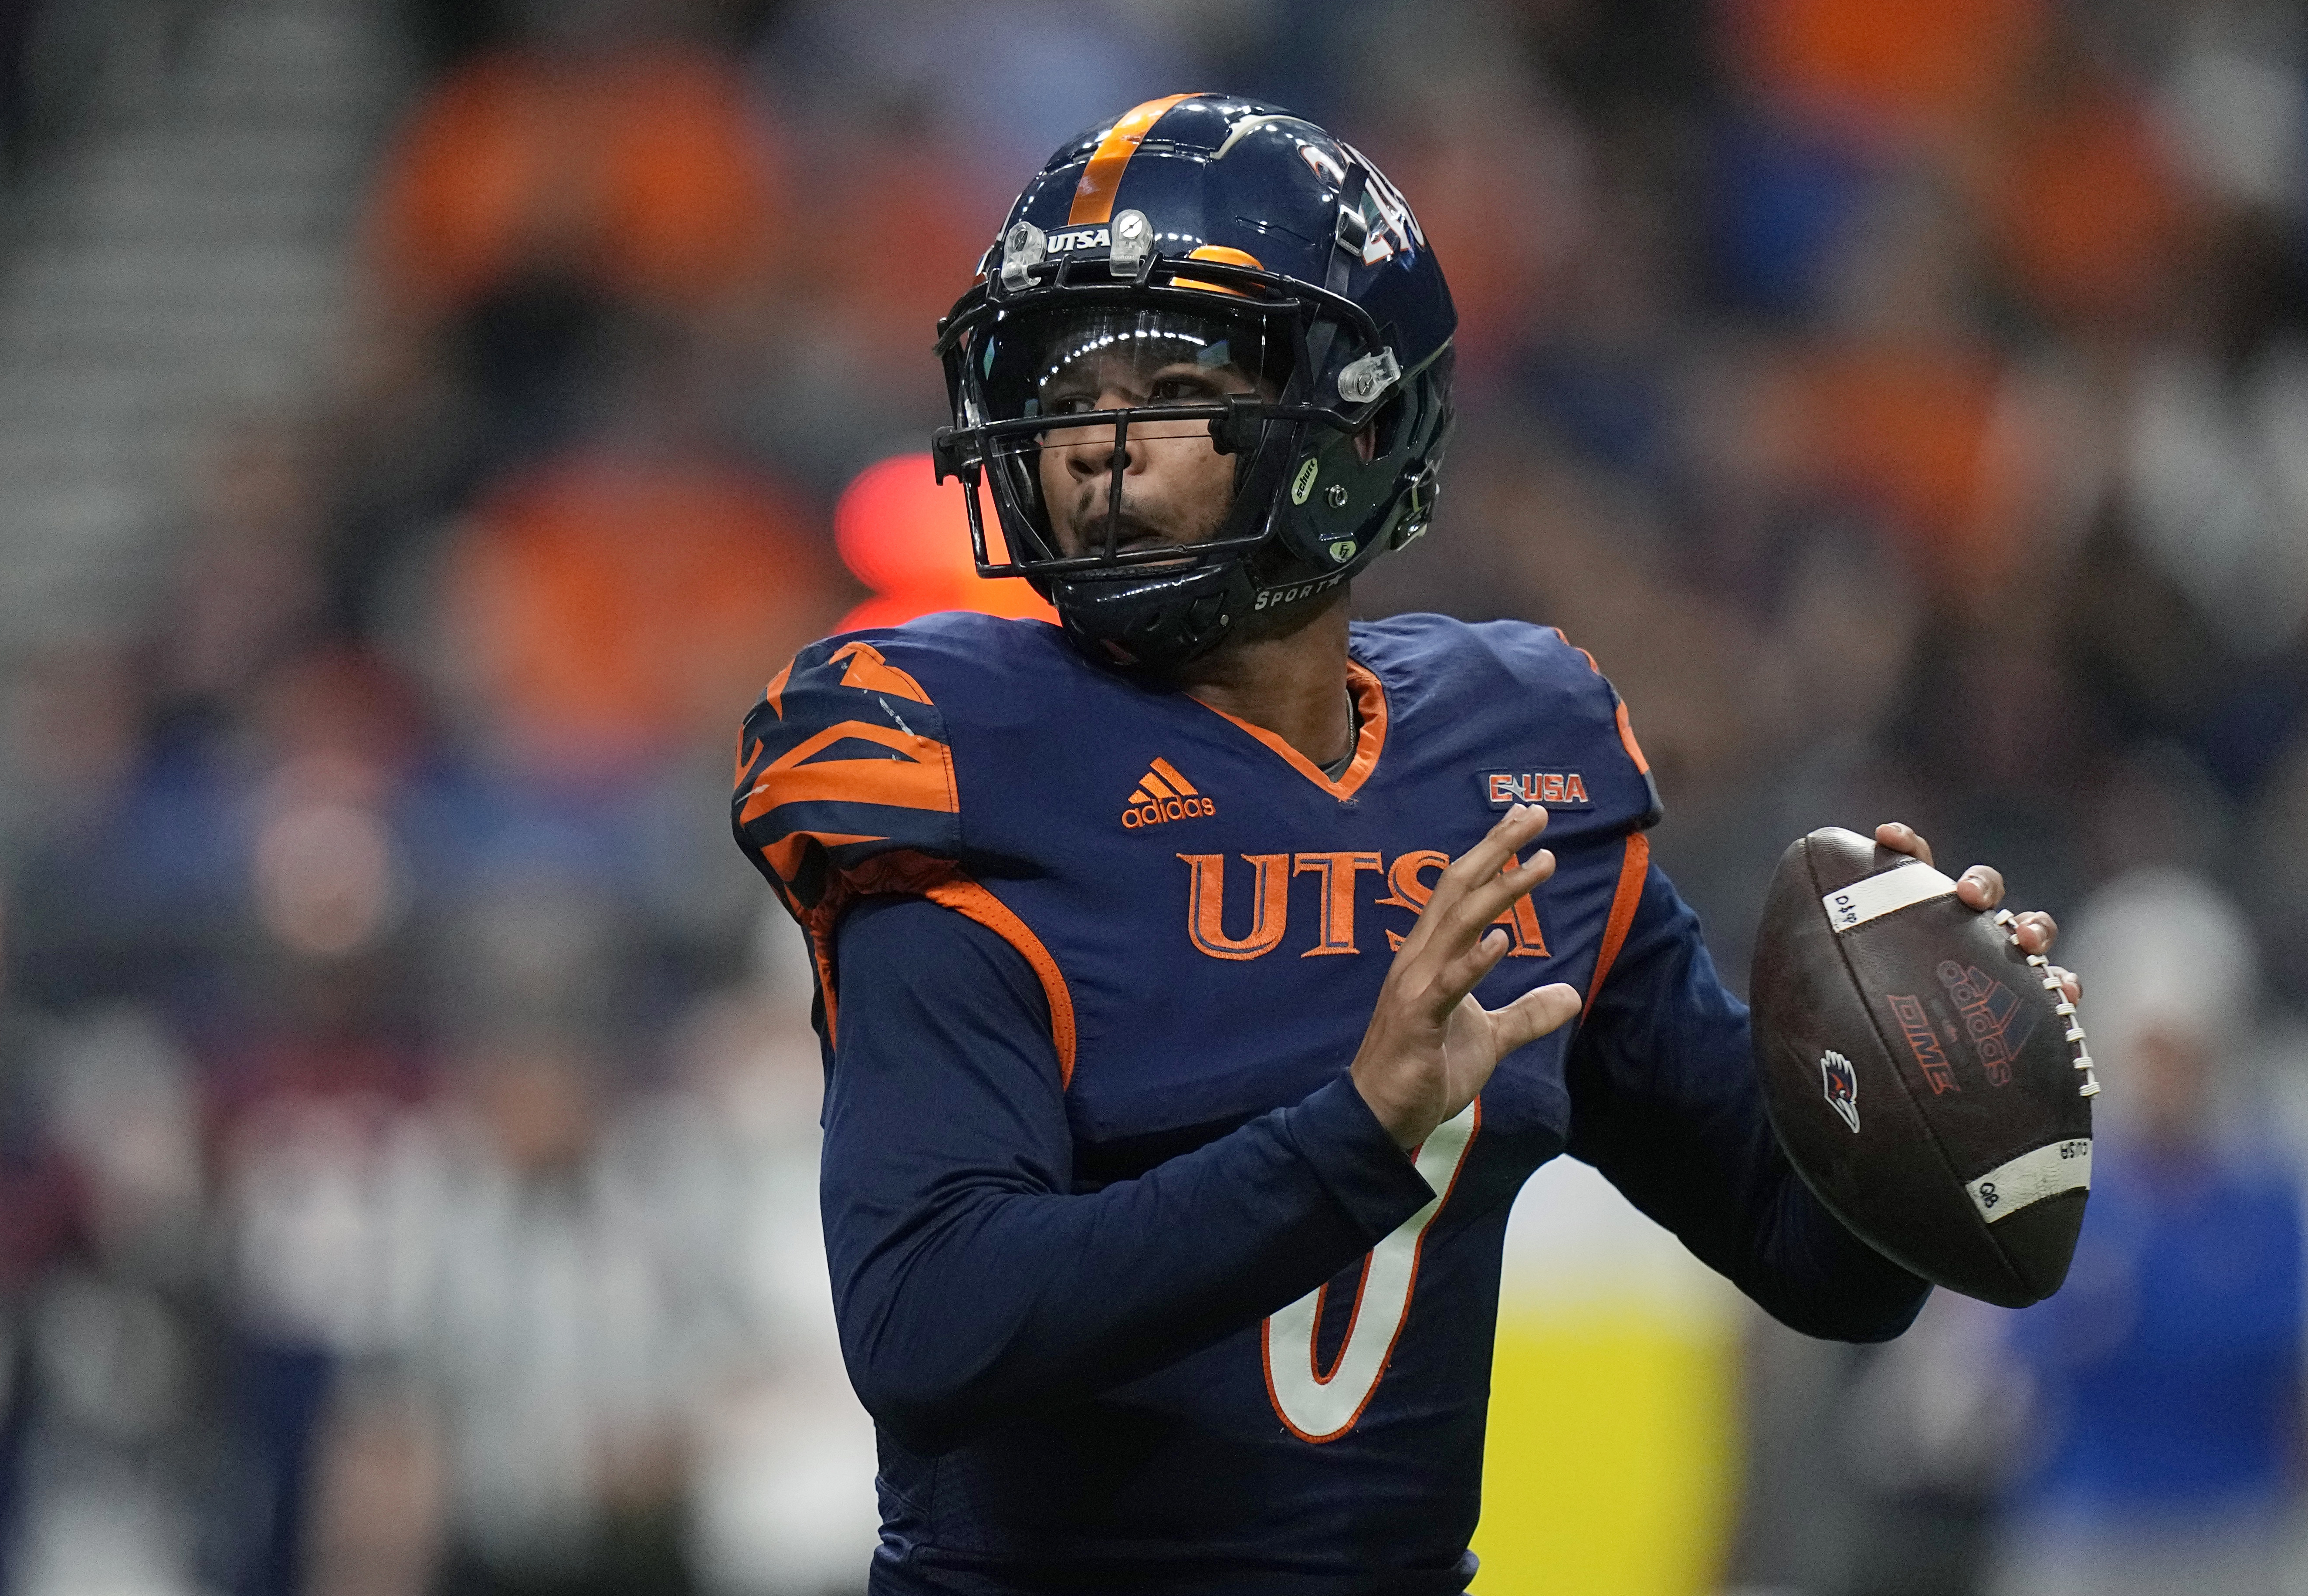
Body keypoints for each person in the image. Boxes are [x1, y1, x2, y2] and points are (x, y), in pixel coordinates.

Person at [729, 94, 2077, 1595]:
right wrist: (1351, 1137)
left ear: (1353, 427)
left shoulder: (1514, 762)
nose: (1096, 450)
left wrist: (1924, 1113)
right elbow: (925, 1326)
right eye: (1064, 391)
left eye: (1171, 382)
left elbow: (1805, 1257)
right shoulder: (964, 760)